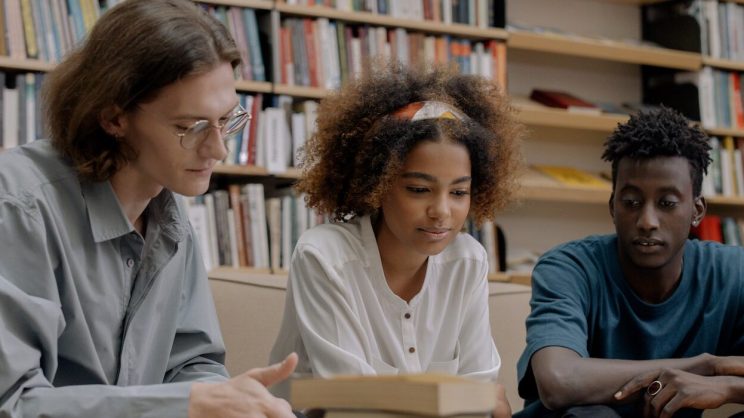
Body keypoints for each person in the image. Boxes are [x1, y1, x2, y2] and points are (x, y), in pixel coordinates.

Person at [0, 1, 297, 417]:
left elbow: (191, 364)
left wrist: (232, 403)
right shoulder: (18, 207)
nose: (219, 148)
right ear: (114, 117)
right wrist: (185, 406)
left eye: (227, 119)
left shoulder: (172, 217)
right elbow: (11, 404)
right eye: (190, 127)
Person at [268, 63, 522, 417]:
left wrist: (473, 400)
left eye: (459, 192)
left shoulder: (468, 261)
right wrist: (464, 399)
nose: (442, 212)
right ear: (378, 185)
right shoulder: (324, 257)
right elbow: (353, 405)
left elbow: (482, 397)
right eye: (419, 189)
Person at [515, 107, 744, 418]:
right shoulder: (570, 267)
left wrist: (728, 387)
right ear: (613, 207)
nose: (647, 221)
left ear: (697, 210)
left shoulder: (732, 273)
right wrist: (706, 366)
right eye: (632, 202)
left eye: (667, 203)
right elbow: (559, 381)